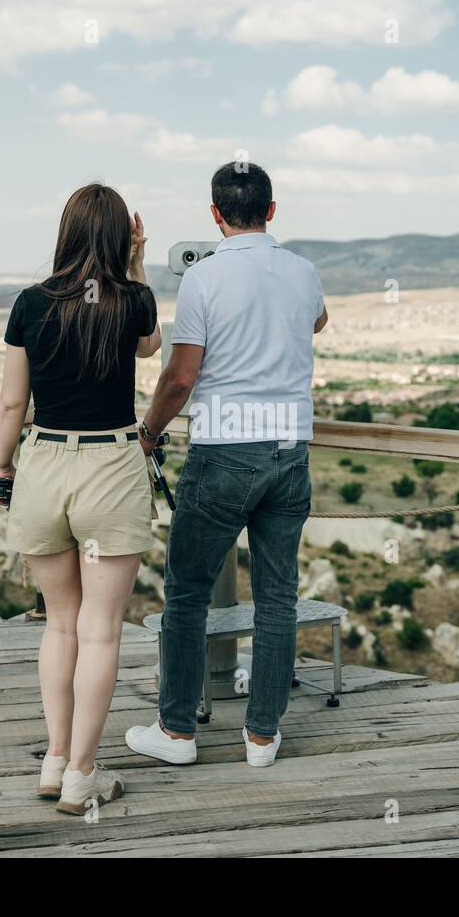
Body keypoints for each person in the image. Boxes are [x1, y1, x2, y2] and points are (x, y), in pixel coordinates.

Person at [125, 162, 328, 768]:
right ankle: (262, 736)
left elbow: (180, 376)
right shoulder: (304, 271)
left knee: (187, 593)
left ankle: (179, 733)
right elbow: (317, 319)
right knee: (277, 596)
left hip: (224, 453)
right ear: (273, 209)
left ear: (215, 215)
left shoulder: (204, 279)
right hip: (290, 452)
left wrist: (149, 431)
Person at [0, 183, 161, 814]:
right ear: (121, 237)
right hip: (111, 468)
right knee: (101, 632)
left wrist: (1, 467)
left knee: (59, 623)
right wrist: (136, 269)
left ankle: (55, 757)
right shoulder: (131, 301)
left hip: (43, 465)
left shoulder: (29, 304)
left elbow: (12, 402)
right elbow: (150, 347)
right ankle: (82, 776)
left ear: (63, 232)